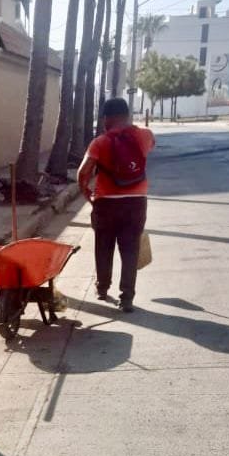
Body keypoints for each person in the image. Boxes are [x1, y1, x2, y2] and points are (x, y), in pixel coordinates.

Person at [77, 98, 155, 312]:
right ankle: (127, 298)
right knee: (130, 250)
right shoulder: (145, 135)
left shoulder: (100, 142)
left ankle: (102, 288)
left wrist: (88, 194)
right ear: (127, 115)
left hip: (106, 204)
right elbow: (151, 146)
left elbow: (83, 173)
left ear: (107, 118)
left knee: (104, 247)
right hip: (136, 202)